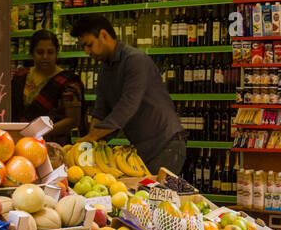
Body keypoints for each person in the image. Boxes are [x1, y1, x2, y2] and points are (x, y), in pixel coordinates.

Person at [72, 15, 187, 177]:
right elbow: (100, 110)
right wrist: (91, 145)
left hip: (166, 145)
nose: (86, 52)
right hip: (142, 149)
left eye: (89, 45)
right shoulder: (105, 69)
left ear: (104, 35)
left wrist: (91, 137)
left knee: (154, 199)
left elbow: (127, 106)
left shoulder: (135, 60)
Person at [11, 30, 85, 139]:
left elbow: (73, 120)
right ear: (32, 53)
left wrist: (38, 133)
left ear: (56, 53)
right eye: (40, 52)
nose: (45, 56)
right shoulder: (20, 77)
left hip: (54, 143)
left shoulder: (69, 82)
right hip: (18, 141)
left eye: (50, 52)